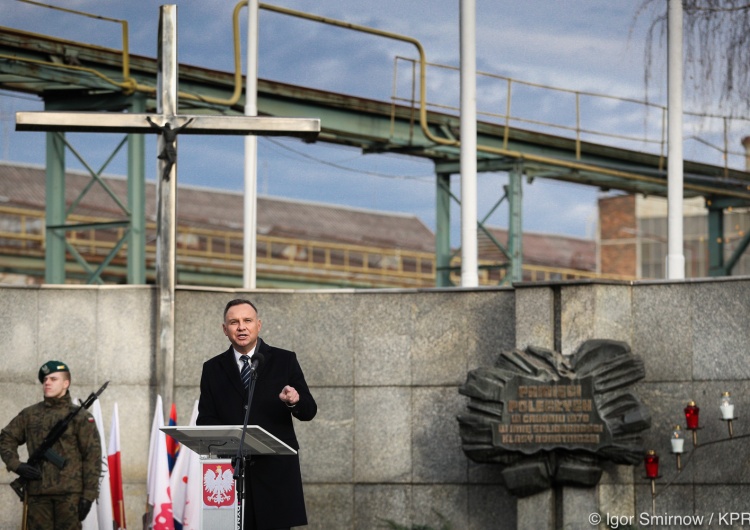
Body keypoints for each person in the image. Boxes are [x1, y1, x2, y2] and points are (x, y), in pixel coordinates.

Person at [197, 299, 317, 530]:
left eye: (247, 321)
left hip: (275, 474)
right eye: (234, 322)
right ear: (225, 329)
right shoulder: (212, 368)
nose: (241, 327)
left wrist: (295, 400)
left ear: (258, 325)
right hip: (230, 475)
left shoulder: (284, 360)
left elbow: (309, 411)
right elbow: (205, 419)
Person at [0, 361, 102, 530]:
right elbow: (6, 438)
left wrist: (89, 495)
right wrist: (16, 465)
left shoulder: (81, 418)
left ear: (65, 383)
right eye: (45, 379)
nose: (47, 382)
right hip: (37, 494)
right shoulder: (30, 414)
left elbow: (92, 457)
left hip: (69, 496)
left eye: (53, 379)